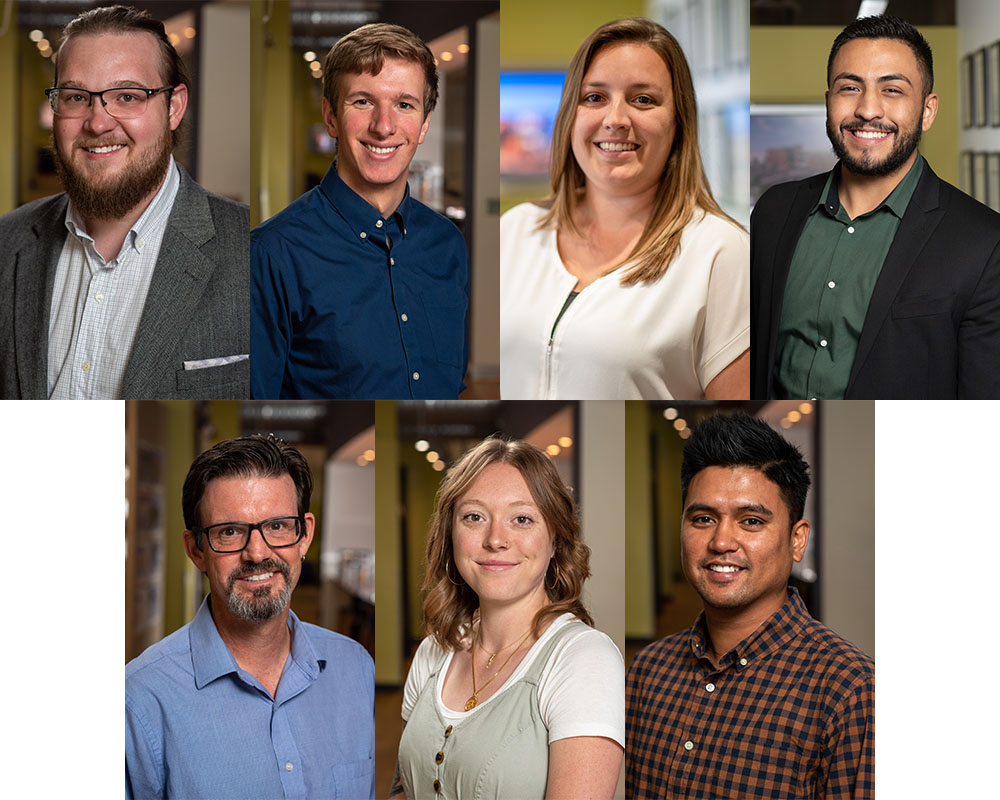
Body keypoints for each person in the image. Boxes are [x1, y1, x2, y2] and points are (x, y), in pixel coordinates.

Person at [0, 5, 249, 400]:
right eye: (77, 97)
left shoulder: (257, 250)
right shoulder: (6, 241)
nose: (98, 123)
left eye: (128, 96)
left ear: (174, 107)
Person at [626, 413, 874, 799]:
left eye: (751, 521)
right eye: (704, 518)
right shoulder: (647, 672)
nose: (722, 541)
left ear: (797, 540)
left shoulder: (850, 691)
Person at [752, 15, 1000, 399]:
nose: (868, 110)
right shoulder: (773, 212)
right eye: (850, 87)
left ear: (927, 111)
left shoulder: (984, 242)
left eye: (892, 90)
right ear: (829, 102)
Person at [500, 17, 749, 400]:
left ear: (679, 122)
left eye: (643, 100)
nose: (616, 120)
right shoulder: (514, 230)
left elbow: (731, 424)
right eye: (595, 97)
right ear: (571, 116)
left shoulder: (722, 252)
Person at [126, 435, 374, 799]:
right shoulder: (138, 700)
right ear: (196, 550)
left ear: (304, 535)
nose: (257, 553)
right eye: (229, 532)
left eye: (277, 526)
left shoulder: (356, 669)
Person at [391, 438, 624, 799]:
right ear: (450, 535)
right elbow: (403, 789)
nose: (495, 539)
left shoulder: (585, 659)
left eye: (522, 519)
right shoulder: (433, 651)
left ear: (556, 541)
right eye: (474, 517)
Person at [251, 22, 469, 400]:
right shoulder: (271, 253)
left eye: (404, 105)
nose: (384, 126)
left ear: (423, 125)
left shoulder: (448, 243)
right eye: (363, 101)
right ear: (331, 116)